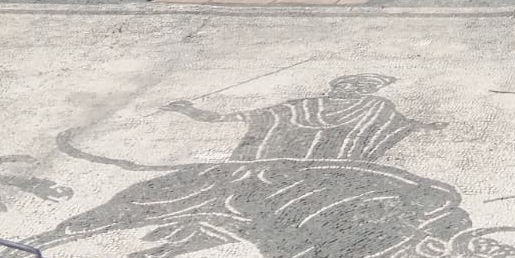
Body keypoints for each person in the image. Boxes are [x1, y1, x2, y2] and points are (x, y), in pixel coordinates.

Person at [163, 73, 443, 162]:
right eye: (349, 85)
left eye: (364, 88)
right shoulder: (303, 106)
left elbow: (396, 124)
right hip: (274, 166)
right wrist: (189, 110)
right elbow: (232, 117)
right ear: (333, 87)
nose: (355, 91)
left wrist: (424, 125)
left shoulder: (376, 106)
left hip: (335, 167)